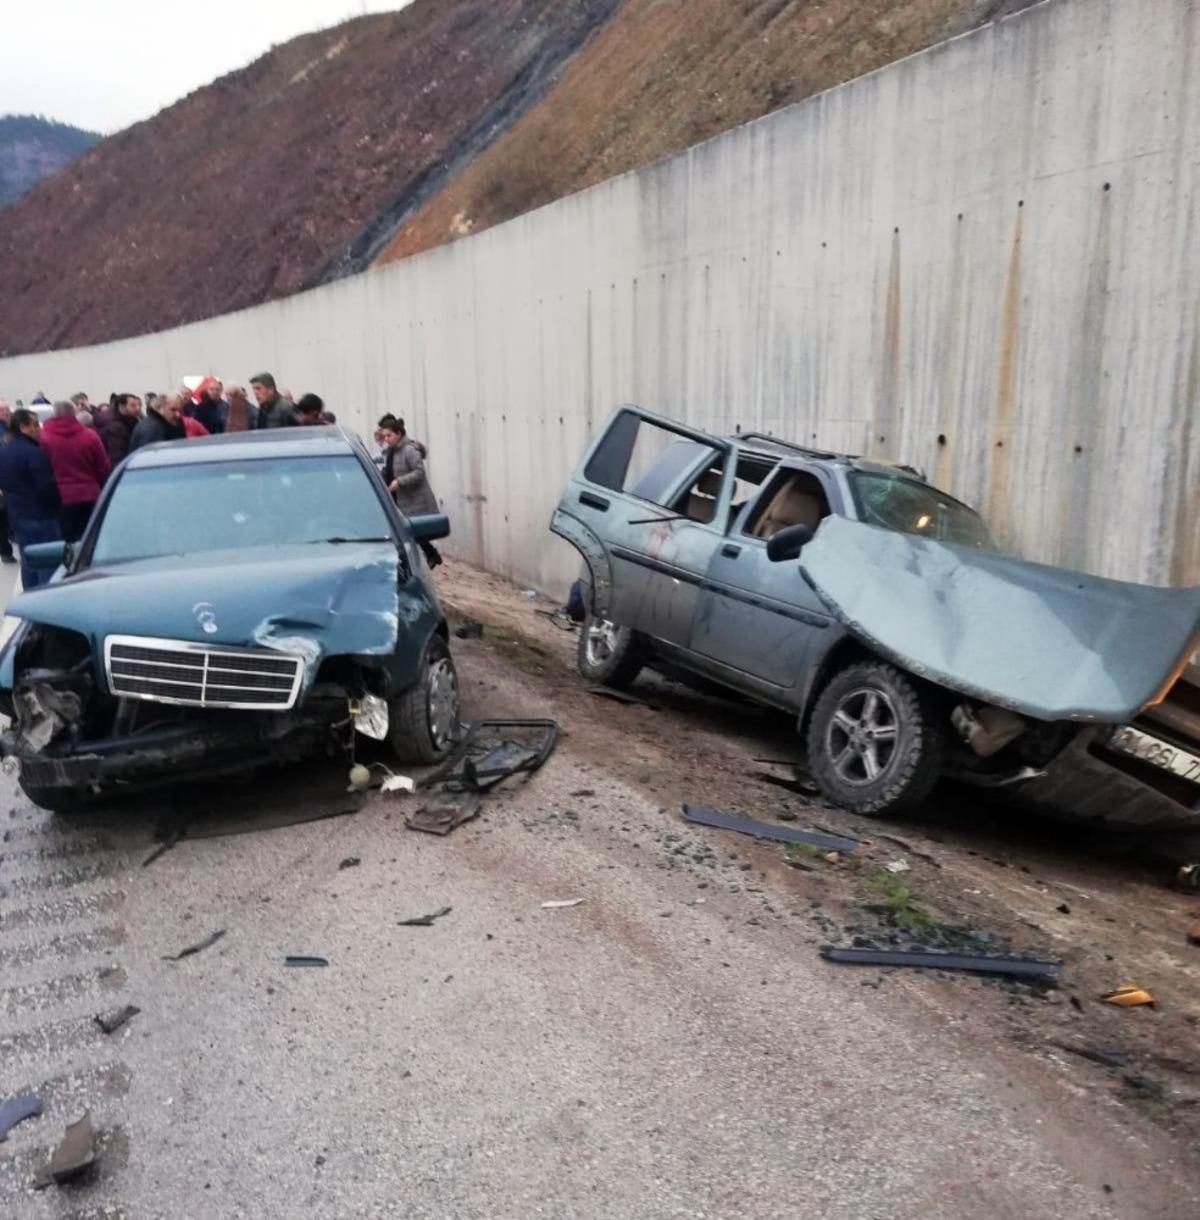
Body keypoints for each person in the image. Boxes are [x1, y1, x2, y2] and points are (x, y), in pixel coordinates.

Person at [0, 409, 62, 588]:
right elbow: (47, 486)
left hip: (17, 514)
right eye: (35, 425)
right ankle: (46, 596)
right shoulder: (34, 453)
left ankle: (30, 592)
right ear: (23, 427)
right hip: (41, 514)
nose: (39, 429)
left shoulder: (4, 451)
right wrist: (56, 506)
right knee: (48, 559)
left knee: (28, 558)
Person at [39, 401, 112, 544]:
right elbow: (103, 465)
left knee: (67, 542)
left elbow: (42, 467)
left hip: (61, 497)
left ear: (54, 414)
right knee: (93, 541)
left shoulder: (45, 438)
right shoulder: (90, 436)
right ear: (74, 413)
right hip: (91, 493)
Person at [380, 415, 442, 568]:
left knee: (415, 532)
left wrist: (400, 482)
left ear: (398, 434)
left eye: (389, 435)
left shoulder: (409, 450)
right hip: (398, 497)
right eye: (384, 436)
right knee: (405, 531)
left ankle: (430, 556)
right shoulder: (391, 451)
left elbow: (419, 472)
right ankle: (428, 556)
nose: (386, 439)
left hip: (414, 499)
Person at [98, 393, 142, 466]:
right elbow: (117, 456)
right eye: (133, 406)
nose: (138, 408)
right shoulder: (116, 427)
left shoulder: (131, 420)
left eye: (139, 405)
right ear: (122, 407)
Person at [0, 401, 14, 565]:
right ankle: (4, 550)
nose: (5, 412)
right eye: (1, 410)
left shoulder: (12, 426)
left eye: (6, 409)